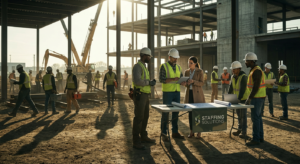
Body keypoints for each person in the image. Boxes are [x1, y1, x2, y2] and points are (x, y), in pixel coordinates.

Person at [132, 47, 156, 150]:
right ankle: (136, 140)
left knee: (145, 116)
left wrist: (150, 83)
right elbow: (137, 81)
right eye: (149, 56)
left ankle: (143, 136)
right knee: (139, 118)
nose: (150, 58)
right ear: (144, 56)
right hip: (140, 95)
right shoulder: (137, 67)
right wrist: (149, 83)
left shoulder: (143, 66)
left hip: (145, 95)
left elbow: (143, 80)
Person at [160, 48, 185, 141]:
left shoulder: (179, 67)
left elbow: (180, 79)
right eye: (174, 58)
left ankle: (175, 132)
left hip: (176, 92)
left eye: (176, 58)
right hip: (167, 93)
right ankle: (164, 133)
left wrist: (184, 82)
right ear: (169, 57)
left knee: (176, 113)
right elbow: (161, 79)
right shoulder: (164, 66)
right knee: (166, 113)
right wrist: (173, 79)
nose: (176, 59)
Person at [244, 52, 266, 146]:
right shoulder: (254, 70)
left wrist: (249, 98)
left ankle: (256, 139)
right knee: (258, 118)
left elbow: (256, 86)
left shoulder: (256, 71)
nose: (245, 62)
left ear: (251, 61)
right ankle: (260, 137)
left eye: (247, 60)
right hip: (259, 97)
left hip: (257, 98)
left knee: (255, 118)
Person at [182, 56, 205, 138]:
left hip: (198, 95)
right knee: (190, 114)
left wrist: (193, 81)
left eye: (191, 63)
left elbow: (202, 83)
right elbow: (186, 85)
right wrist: (184, 84)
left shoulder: (200, 71)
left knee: (197, 114)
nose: (189, 64)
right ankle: (191, 131)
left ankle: (199, 132)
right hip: (189, 94)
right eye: (188, 62)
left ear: (195, 64)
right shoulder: (186, 72)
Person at [228, 61, 248, 138]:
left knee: (243, 116)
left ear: (239, 69)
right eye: (232, 69)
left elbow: (243, 89)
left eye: (234, 69)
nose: (233, 70)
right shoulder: (233, 76)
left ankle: (244, 132)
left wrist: (239, 99)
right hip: (236, 99)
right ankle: (239, 129)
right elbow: (231, 88)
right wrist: (228, 97)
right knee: (238, 115)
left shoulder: (243, 76)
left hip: (243, 99)